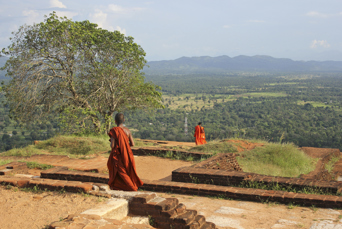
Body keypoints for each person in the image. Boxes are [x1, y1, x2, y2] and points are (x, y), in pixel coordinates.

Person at [107, 113, 143, 191]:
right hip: (127, 154)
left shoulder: (114, 131)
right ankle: (124, 186)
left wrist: (119, 146)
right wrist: (125, 147)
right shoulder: (127, 131)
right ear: (124, 120)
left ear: (115, 121)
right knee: (127, 171)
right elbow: (132, 144)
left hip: (118, 155)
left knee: (121, 171)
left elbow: (112, 146)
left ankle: (132, 187)